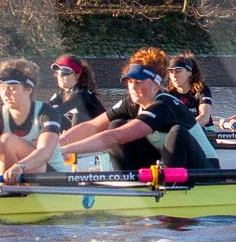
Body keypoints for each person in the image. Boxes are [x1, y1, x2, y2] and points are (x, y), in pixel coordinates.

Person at [56, 49, 216, 172]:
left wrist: (64, 150)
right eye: (130, 81)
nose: (133, 86)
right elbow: (92, 126)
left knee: (177, 133)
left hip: (204, 169)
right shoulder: (131, 103)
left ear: (154, 84)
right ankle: (127, 187)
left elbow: (112, 138)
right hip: (166, 162)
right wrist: (55, 144)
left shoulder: (164, 105)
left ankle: (170, 188)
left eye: (139, 81)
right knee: (116, 123)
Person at [46, 55, 104, 131]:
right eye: (58, 71)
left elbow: (64, 107)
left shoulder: (82, 93)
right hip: (80, 131)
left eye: (65, 71)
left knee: (78, 115)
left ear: (77, 75)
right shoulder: (61, 93)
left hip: (99, 132)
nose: (60, 75)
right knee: (51, 116)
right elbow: (46, 107)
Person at [165, 53, 214, 127]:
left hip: (204, 130)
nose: (174, 76)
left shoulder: (201, 89)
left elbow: (204, 118)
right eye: (171, 72)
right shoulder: (168, 92)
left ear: (189, 73)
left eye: (178, 71)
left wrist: (183, 129)